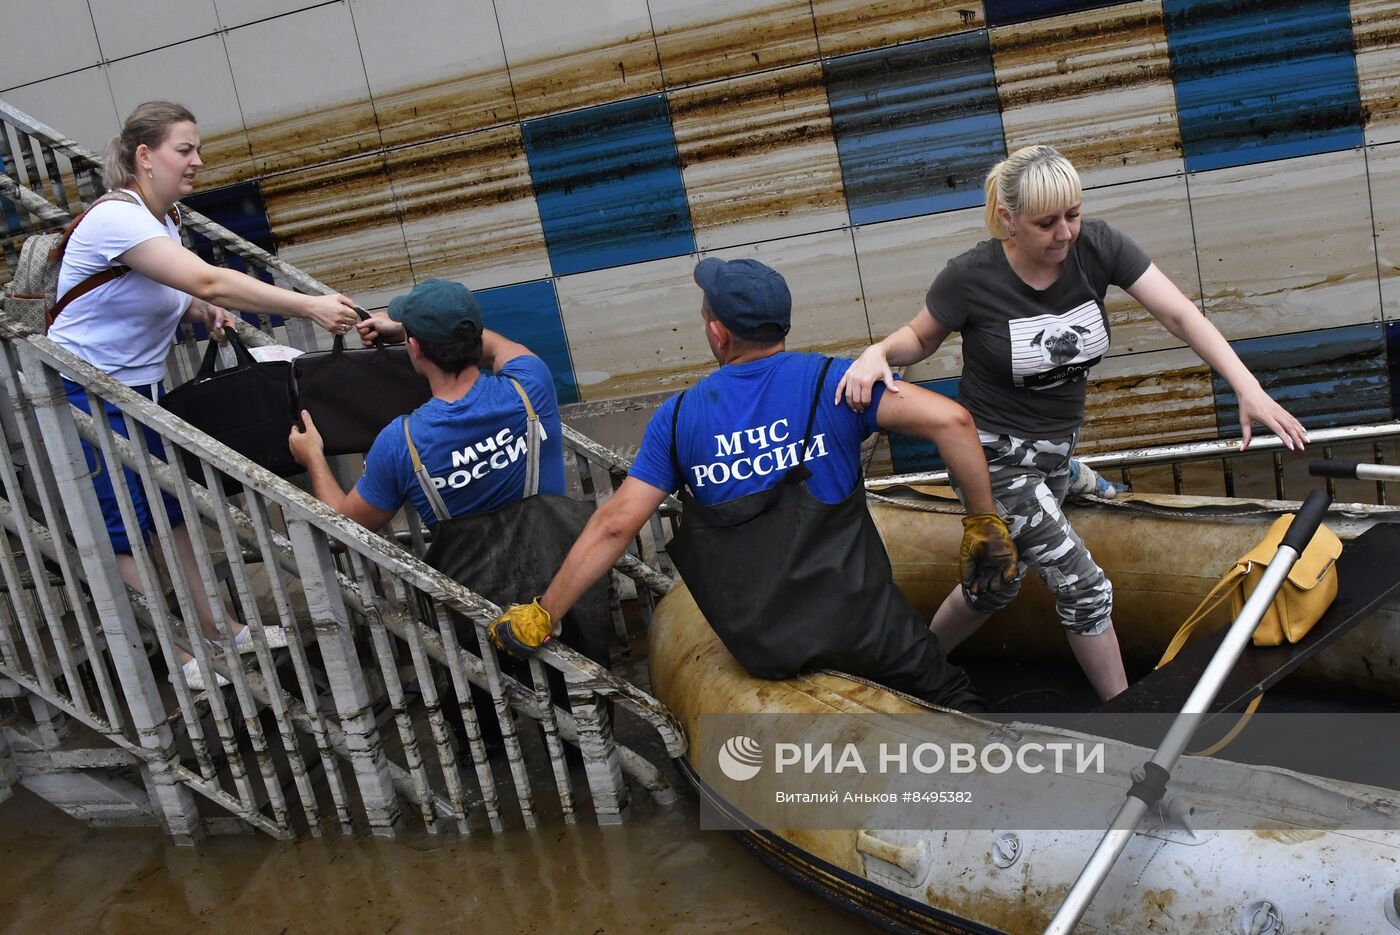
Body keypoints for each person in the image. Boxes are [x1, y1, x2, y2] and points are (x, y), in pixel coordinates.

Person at [836, 145, 1309, 701]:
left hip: (1056, 456)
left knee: (996, 585)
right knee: (1085, 591)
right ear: (1008, 221)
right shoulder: (970, 277)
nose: (1065, 233)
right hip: (996, 459)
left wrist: (1247, 387)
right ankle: (1127, 723)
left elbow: (1179, 313)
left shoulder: (1098, 247)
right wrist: (878, 352)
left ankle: (909, 673)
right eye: (1046, 222)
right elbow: (920, 338)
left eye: (1072, 214)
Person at [490, 258, 1017, 712]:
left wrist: (543, 612)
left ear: (718, 333)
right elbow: (954, 422)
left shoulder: (678, 420)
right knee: (954, 700)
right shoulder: (834, 383)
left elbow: (613, 526)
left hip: (768, 650)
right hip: (867, 629)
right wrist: (983, 524)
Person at [52, 100, 360, 690]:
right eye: (183, 149)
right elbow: (207, 275)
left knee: (171, 515)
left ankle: (223, 627)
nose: (197, 161)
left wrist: (198, 307)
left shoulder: (160, 219)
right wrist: (308, 304)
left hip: (138, 389)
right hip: (84, 391)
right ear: (145, 156)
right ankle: (185, 653)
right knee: (124, 529)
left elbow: (175, 285)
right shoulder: (118, 217)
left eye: (197, 148)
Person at [289, 278, 612, 736]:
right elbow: (497, 346)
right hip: (563, 595)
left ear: (416, 350)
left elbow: (344, 529)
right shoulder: (530, 383)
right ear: (473, 338)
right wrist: (412, 332)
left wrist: (314, 459)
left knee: (489, 728)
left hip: (474, 617)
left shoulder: (401, 443)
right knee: (585, 720)